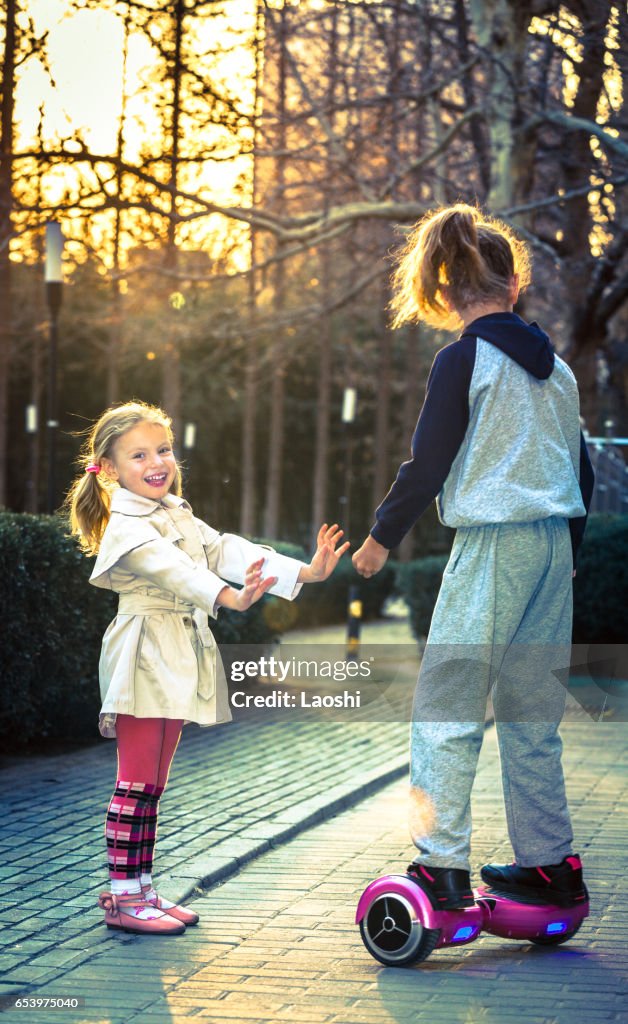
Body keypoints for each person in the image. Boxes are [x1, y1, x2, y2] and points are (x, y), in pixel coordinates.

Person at [353, 204, 594, 911]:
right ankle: (549, 864)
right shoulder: (562, 373)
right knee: (530, 718)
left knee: (446, 710)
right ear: (513, 284)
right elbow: (578, 471)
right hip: (554, 548)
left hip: (493, 545)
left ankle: (440, 864)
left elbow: (427, 464)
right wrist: (569, 557)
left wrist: (378, 540)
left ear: (447, 291)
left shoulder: (463, 359)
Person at [66, 400, 349, 935]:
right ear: (107, 468)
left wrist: (304, 572)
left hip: (177, 648)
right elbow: (173, 570)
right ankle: (125, 898)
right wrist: (232, 599)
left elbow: (223, 550)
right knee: (134, 782)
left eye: (164, 450)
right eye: (139, 455)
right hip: (144, 652)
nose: (157, 462)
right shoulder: (127, 527)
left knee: (152, 784)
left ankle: (142, 890)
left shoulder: (175, 511)